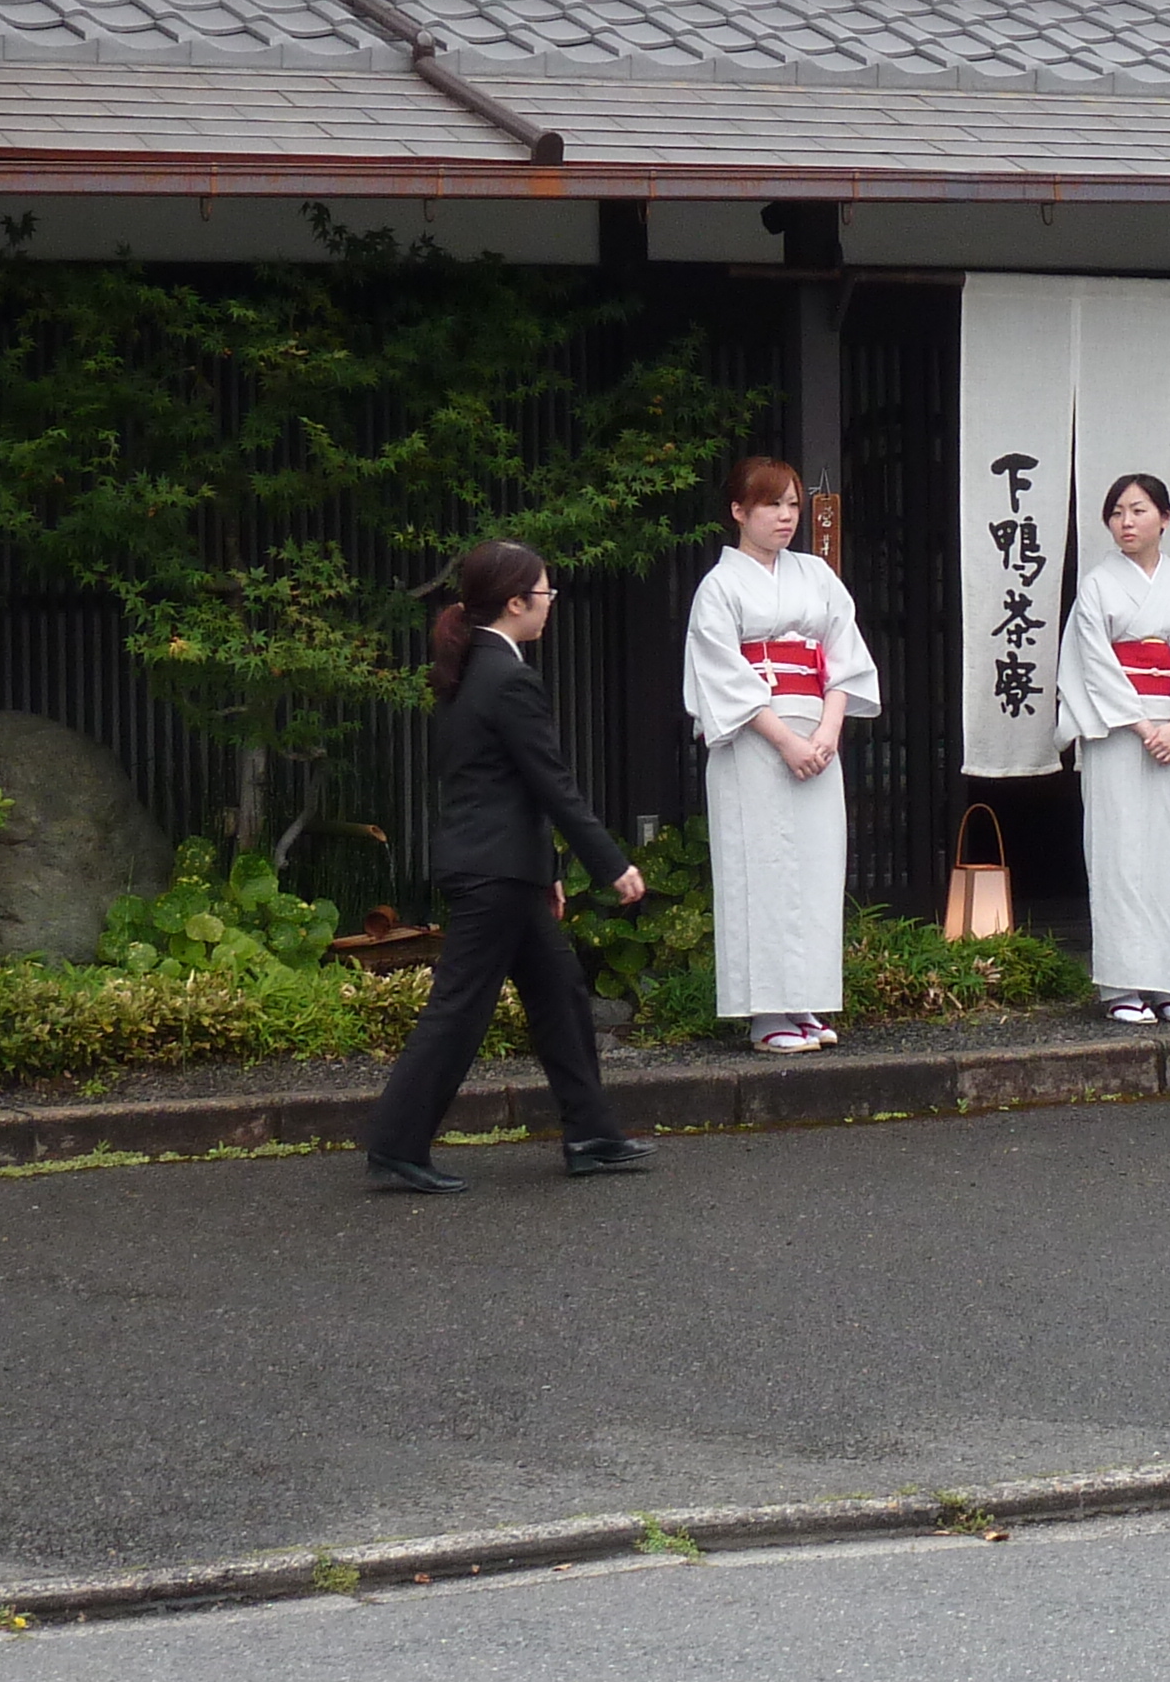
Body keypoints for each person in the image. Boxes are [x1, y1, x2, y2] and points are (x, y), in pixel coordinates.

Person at [363, 539, 652, 1196]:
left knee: (560, 993)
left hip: (503, 869)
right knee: (459, 1007)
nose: (551, 605)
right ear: (517, 602)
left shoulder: (473, 669)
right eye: (545, 594)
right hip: (494, 875)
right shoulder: (509, 677)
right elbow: (550, 782)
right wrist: (610, 865)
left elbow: (506, 785)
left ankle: (591, 1134)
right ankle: (397, 1143)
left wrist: (544, 866)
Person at [687, 457, 878, 1056]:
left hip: (817, 735)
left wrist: (828, 729)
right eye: (771, 505)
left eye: (792, 505)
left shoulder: (817, 576)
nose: (785, 517)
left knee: (817, 869)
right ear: (738, 512)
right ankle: (766, 1011)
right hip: (755, 738)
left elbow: (844, 655)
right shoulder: (719, 587)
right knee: (762, 869)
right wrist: (786, 739)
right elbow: (723, 675)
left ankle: (806, 1000)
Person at [1058, 471, 1170, 1028]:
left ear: (1165, 517)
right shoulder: (1099, 586)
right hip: (1117, 735)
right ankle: (1121, 986)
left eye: (1137, 511)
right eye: (1116, 513)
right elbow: (1092, 663)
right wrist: (1140, 725)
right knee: (1118, 853)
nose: (1125, 522)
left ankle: (1167, 982)